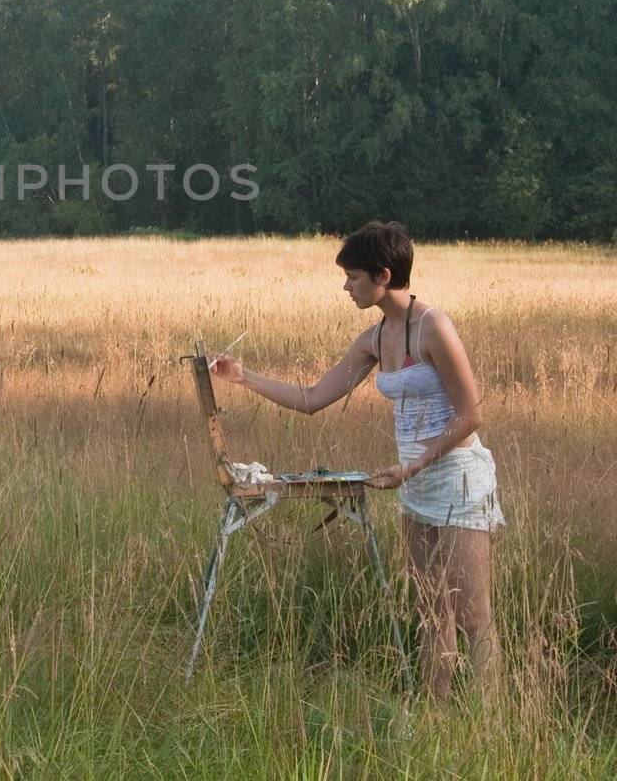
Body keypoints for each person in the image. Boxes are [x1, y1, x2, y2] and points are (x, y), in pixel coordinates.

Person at [208, 219, 503, 699]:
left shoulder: (434, 326)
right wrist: (244, 378)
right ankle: (435, 711)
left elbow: (471, 415)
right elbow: (311, 398)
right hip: (415, 481)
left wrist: (410, 467)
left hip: (458, 478)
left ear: (383, 276)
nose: (346, 287)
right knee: (431, 609)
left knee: (472, 612)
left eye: (353, 277)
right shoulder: (373, 337)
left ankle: (493, 719)